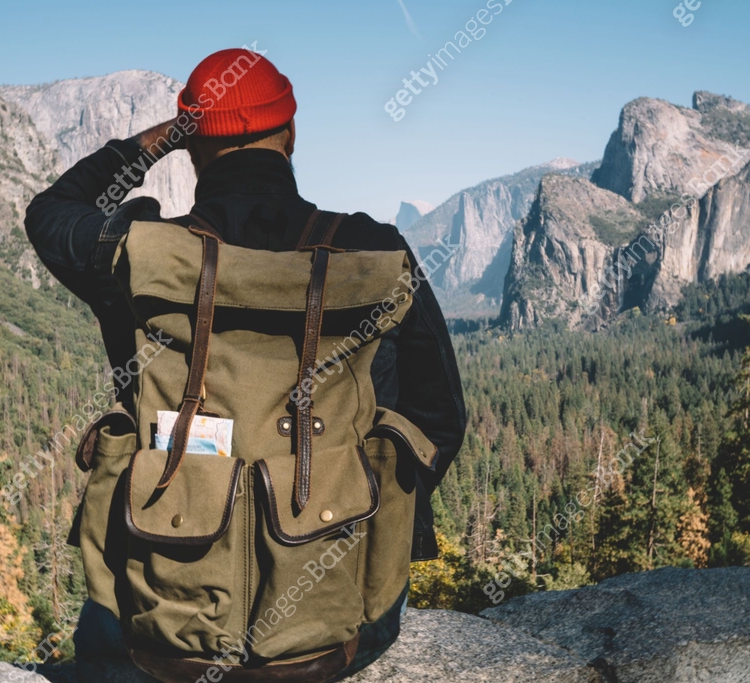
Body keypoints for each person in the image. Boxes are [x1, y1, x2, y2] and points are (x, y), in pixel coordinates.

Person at [25, 47, 465, 681]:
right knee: (381, 376)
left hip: (152, 625)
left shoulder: (138, 253)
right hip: (340, 624)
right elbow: (441, 415)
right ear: (290, 132)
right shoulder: (375, 253)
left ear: (193, 147)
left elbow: (49, 212)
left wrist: (153, 144)